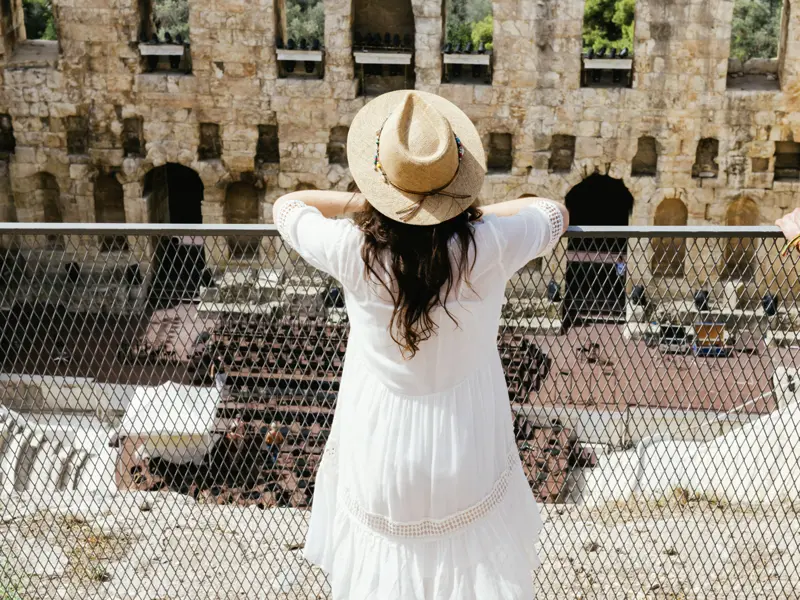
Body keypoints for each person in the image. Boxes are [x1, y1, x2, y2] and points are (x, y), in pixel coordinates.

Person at [272, 90, 568, 599]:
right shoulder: (489, 244)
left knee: (385, 571)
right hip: (466, 436)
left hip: (379, 436)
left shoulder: (352, 249)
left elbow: (286, 207)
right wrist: (474, 214)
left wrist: (366, 207)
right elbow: (553, 210)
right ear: (455, 184)